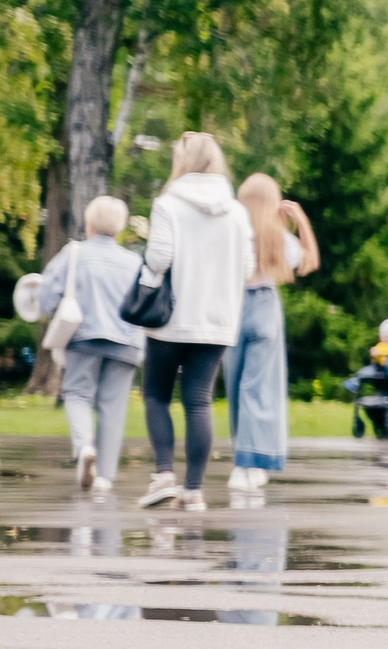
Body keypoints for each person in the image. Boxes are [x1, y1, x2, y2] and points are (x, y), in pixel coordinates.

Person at [135, 132, 256, 511]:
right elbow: (247, 268)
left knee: (156, 395)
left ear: (182, 161)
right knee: (198, 401)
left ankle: (164, 475)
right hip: (217, 321)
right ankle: (194, 491)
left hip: (171, 318)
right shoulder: (237, 212)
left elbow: (159, 258)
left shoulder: (168, 204)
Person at [36, 194, 145, 498]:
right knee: (113, 406)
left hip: (83, 337)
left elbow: (45, 296)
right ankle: (105, 476)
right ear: (119, 227)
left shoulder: (74, 255)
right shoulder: (133, 262)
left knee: (77, 394)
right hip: (127, 342)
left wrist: (53, 310)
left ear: (90, 224)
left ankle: (84, 446)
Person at [223, 175, 319, 493]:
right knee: (258, 388)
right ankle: (253, 464)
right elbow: (309, 262)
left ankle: (241, 465)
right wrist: (300, 220)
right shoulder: (278, 237)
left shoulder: (233, 232)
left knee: (236, 386)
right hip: (265, 307)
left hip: (233, 308)